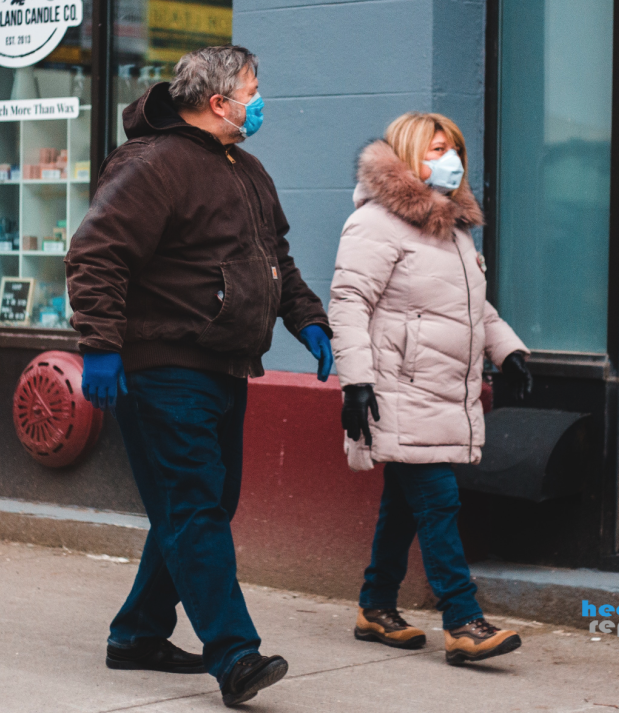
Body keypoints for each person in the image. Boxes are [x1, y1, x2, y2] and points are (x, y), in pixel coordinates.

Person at [65, 45, 333, 706]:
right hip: (162, 367)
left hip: (223, 366)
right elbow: (96, 254)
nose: (260, 98)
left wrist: (310, 321)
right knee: (193, 504)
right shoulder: (152, 164)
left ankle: (137, 632)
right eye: (253, 87)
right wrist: (98, 347)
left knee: (204, 504)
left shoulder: (245, 168)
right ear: (219, 102)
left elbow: (277, 260)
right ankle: (234, 653)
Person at [328, 112, 533, 665]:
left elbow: (472, 307)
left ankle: (375, 606)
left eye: (456, 150)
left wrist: (506, 349)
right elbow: (349, 304)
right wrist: (357, 384)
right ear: (405, 157)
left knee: (404, 503)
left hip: (441, 389)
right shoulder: (376, 223)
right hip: (398, 387)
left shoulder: (454, 228)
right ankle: (463, 620)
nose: (451, 160)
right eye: (436, 149)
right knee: (437, 499)